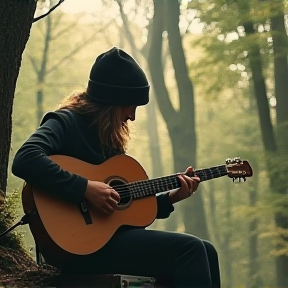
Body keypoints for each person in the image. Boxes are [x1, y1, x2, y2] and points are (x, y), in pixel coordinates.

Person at [12, 47, 221, 288]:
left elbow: (125, 212)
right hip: (77, 248)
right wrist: (85, 188)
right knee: (190, 249)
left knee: (208, 250)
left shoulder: (108, 139)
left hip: (109, 241)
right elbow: (26, 158)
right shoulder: (65, 122)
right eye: (129, 106)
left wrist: (172, 197)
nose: (132, 116)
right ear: (111, 102)